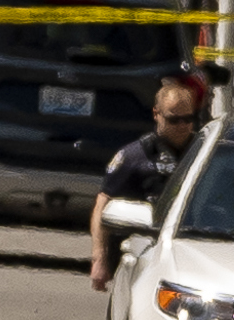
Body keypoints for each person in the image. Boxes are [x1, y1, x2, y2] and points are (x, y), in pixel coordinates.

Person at [88, 68, 216, 289]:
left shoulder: (204, 155)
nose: (183, 126)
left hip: (194, 256)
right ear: (156, 113)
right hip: (143, 257)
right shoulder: (134, 157)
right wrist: (99, 258)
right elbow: (103, 203)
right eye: (174, 119)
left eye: (189, 119)